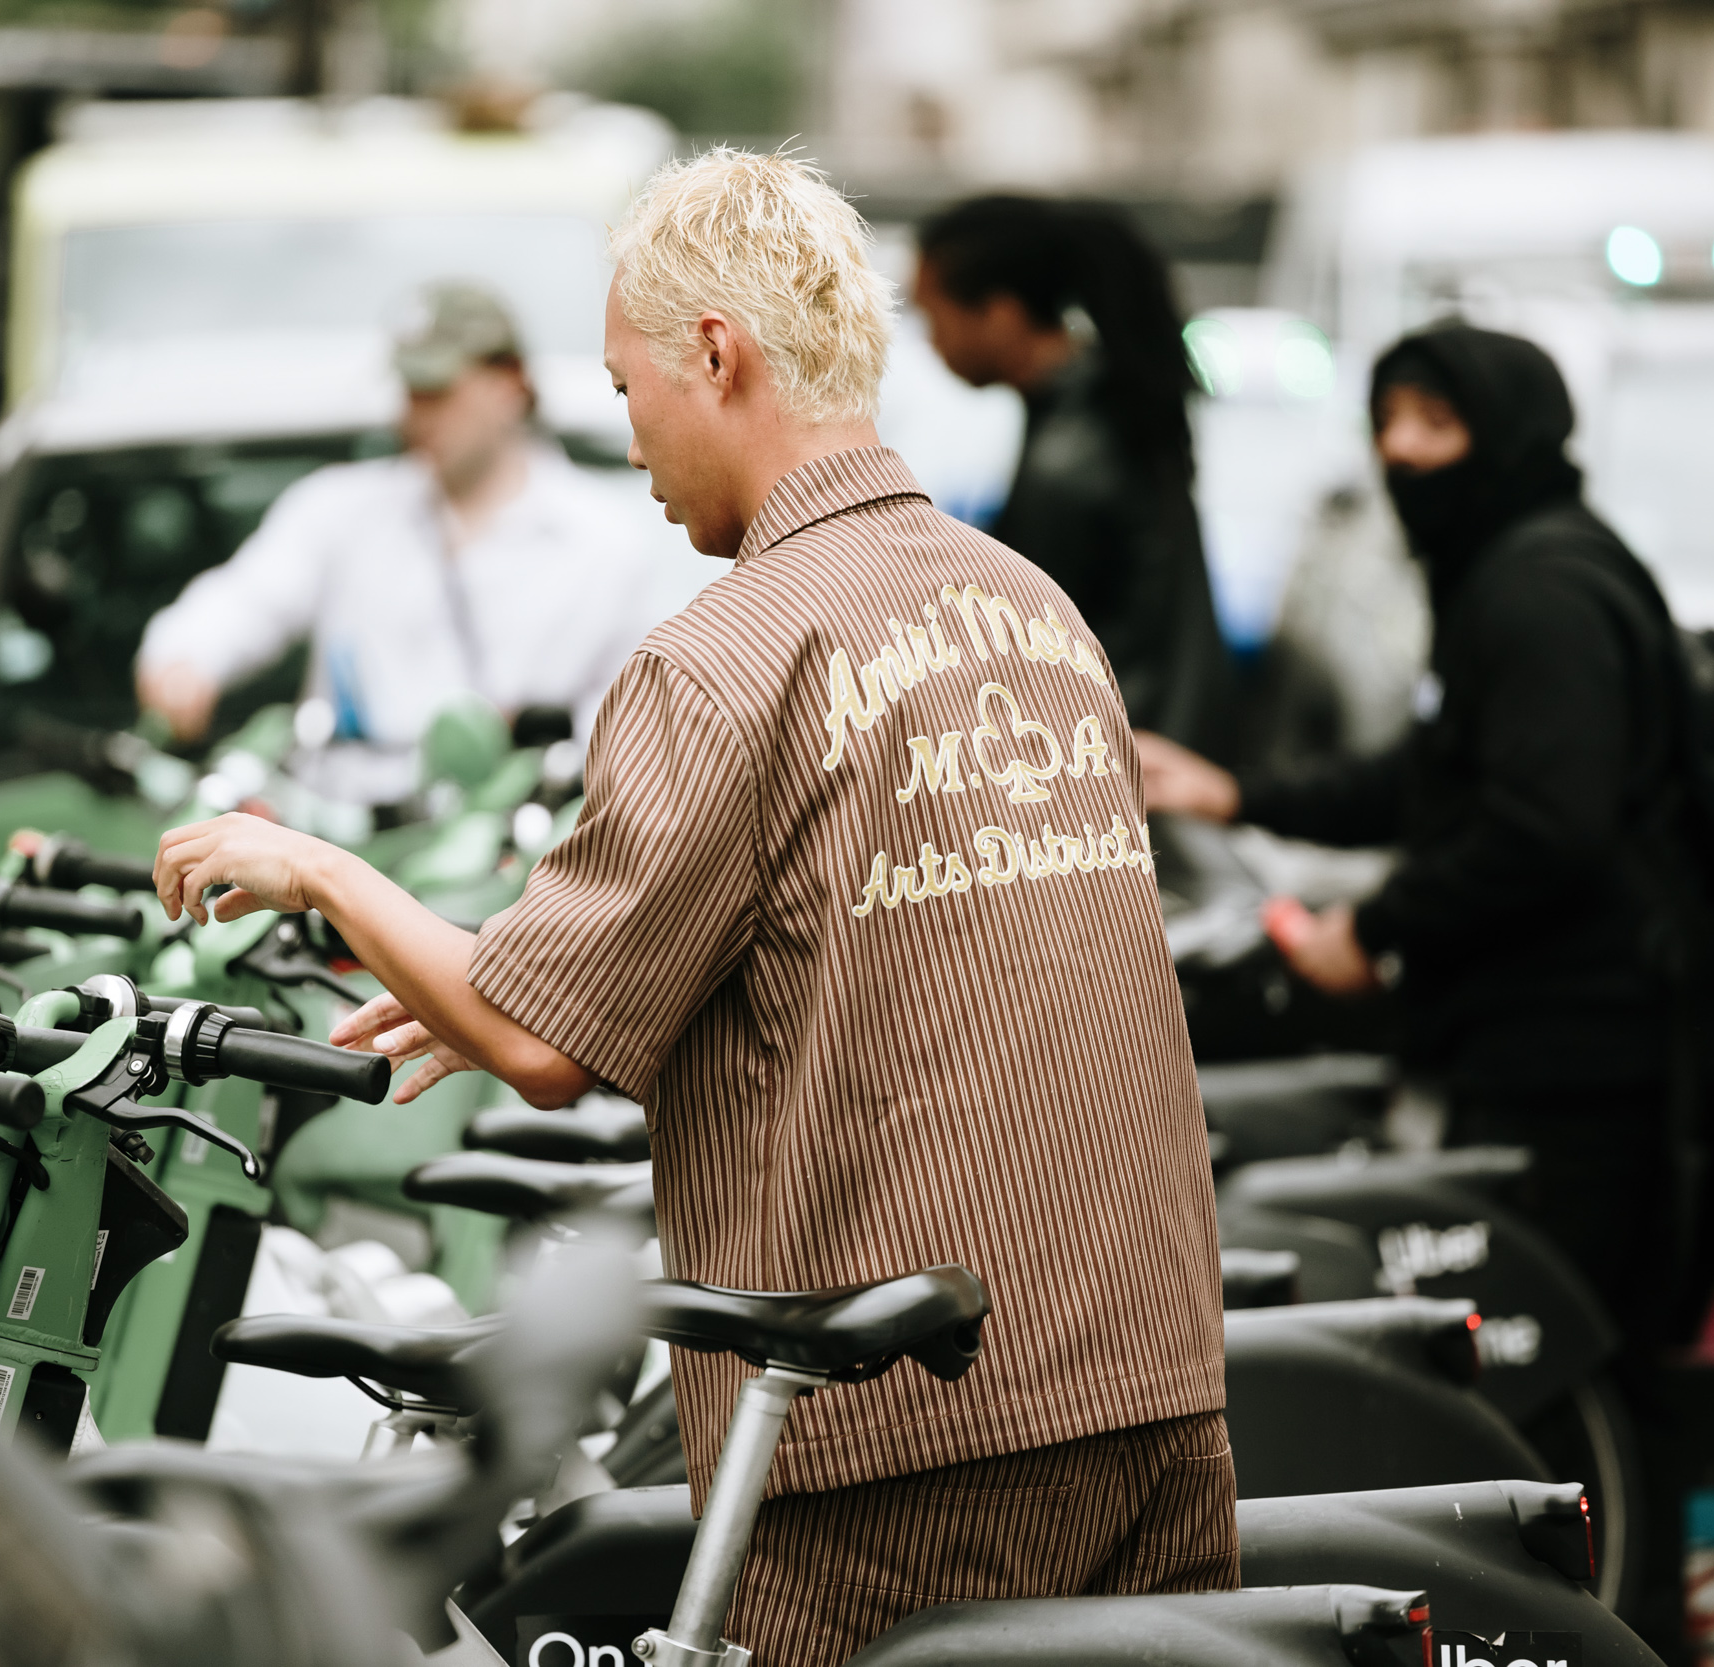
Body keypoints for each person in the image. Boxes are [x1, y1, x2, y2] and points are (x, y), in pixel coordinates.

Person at [149, 150, 1236, 1667]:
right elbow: (876, 949)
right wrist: (501, 992)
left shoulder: (723, 656)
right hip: (1154, 1382)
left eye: (628, 384)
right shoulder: (1033, 610)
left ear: (715, 353)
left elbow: (541, 1045)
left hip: (916, 1432)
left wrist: (322, 868)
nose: (631, 439)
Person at [1141, 321, 1700, 1660]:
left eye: (1435, 426)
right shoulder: (1508, 569)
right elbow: (1439, 775)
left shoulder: (1540, 589)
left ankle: (1621, 1630)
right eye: (1387, 421)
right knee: (1576, 1392)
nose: (1400, 454)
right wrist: (1246, 792)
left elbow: (1542, 823)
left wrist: (1375, 927)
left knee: (1569, 1389)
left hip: (1589, 1054)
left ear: (1505, 436)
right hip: (1546, 1035)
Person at [135, 283, 674, 806]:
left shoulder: (603, 545)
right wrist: (182, 663)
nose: (414, 415)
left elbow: (633, 727)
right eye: (409, 392)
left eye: (437, 392)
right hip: (329, 839)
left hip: (500, 859)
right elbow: (244, 601)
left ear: (509, 383)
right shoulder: (340, 510)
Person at [910, 197, 1237, 765]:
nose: (930, 342)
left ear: (1001, 313)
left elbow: (1041, 660)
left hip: (1121, 765)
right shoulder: (1108, 406)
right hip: (1159, 749)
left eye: (933, 316)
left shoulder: (1070, 461)